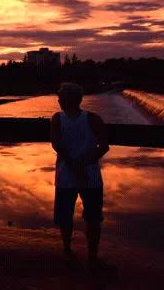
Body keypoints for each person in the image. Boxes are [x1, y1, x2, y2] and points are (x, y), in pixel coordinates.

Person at [50, 82, 113, 272]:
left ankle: (67, 250)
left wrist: (74, 166)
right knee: (93, 218)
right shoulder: (93, 119)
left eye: (60, 97)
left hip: (66, 177)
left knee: (66, 216)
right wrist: (84, 164)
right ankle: (92, 257)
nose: (58, 100)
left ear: (66, 99)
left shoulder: (57, 119)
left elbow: (57, 146)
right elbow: (103, 146)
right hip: (90, 176)